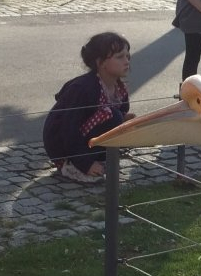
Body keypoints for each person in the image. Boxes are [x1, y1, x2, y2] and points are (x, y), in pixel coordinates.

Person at [43, 32, 135, 184]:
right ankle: (73, 164)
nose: (126, 61)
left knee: (117, 118)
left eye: (127, 56)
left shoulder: (119, 88)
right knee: (113, 116)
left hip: (85, 137)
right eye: (120, 57)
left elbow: (118, 114)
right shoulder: (84, 88)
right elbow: (68, 128)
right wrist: (84, 163)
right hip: (62, 144)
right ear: (100, 63)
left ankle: (99, 157)